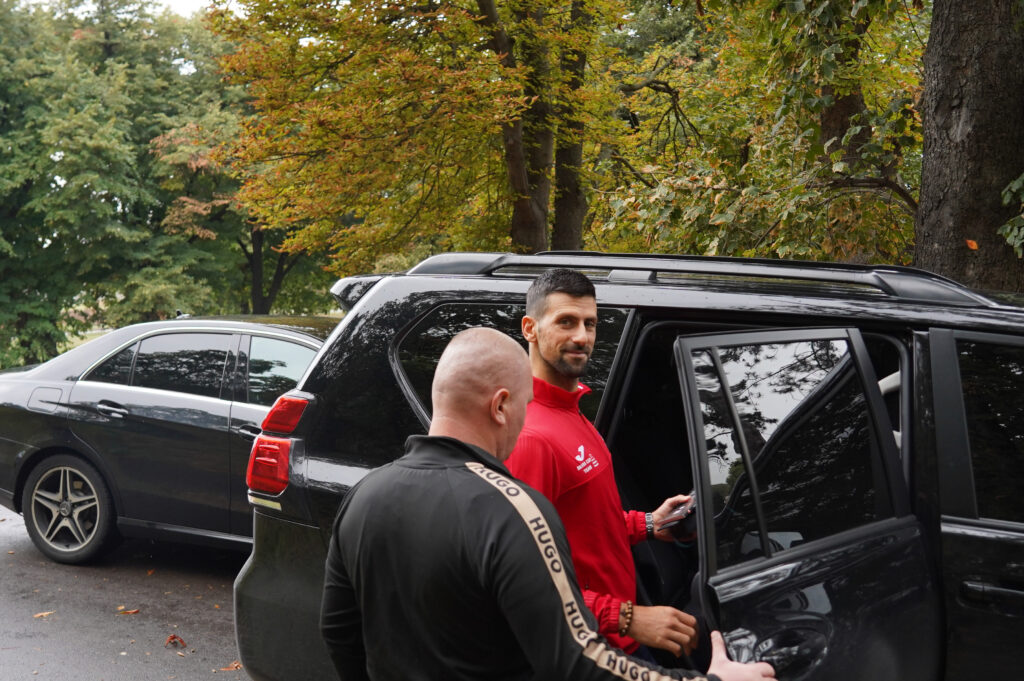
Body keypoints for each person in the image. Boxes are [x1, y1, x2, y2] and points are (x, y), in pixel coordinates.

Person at [320, 327, 775, 681]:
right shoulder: (513, 509)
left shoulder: (364, 496)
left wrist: (645, 524)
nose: (525, 421)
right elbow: (576, 660)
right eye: (524, 405)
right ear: (501, 406)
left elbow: (339, 631)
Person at [506, 268, 704, 662]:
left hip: (617, 638)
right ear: (530, 329)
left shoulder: (570, 409)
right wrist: (627, 617)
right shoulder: (529, 439)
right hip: (592, 651)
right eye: (566, 322)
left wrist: (648, 524)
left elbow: (584, 524)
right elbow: (523, 584)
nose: (582, 336)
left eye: (590, 323)